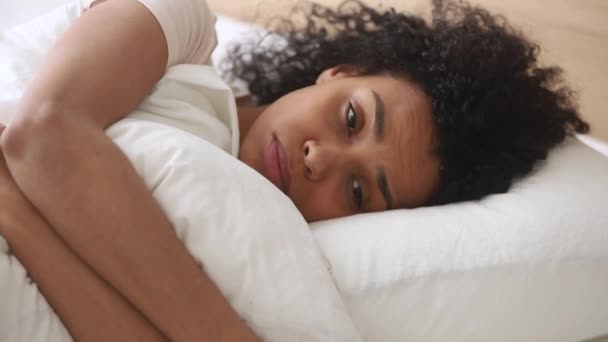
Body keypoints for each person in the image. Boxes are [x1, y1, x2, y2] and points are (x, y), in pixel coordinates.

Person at [0, 0, 589, 340]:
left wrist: (18, 211)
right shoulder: (179, 27)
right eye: (354, 118)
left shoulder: (247, 254)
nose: (322, 158)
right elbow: (43, 131)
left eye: (358, 191)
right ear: (340, 72)